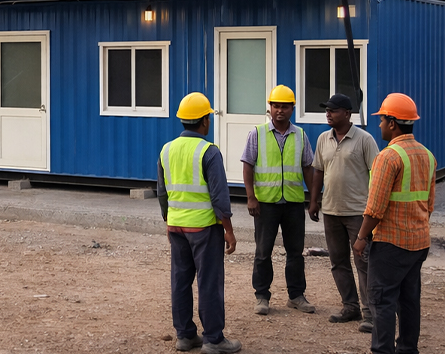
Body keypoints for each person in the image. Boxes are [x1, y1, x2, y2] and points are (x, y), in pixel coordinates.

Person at [157, 92, 241, 354]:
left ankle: (184, 336)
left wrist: (168, 222)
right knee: (209, 282)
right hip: (204, 228)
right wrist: (228, 230)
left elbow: (162, 192)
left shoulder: (166, 149)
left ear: (183, 120)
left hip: (177, 226)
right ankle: (213, 339)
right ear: (205, 121)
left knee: (180, 280)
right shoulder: (208, 151)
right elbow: (219, 196)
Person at [352, 93, 436, 354]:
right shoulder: (428, 156)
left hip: (391, 244)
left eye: (382, 120)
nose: (379, 125)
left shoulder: (388, 157)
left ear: (392, 123)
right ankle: (408, 349)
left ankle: (382, 350)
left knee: (382, 300)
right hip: (418, 242)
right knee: (409, 299)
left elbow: (375, 208)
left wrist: (361, 237)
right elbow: (429, 204)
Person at [241, 84, 316, 315]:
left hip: (293, 203)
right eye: (276, 106)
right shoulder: (257, 133)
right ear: (269, 108)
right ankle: (262, 296)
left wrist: (313, 199)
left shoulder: (300, 135)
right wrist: (251, 197)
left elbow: (308, 168)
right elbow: (248, 165)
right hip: (266, 203)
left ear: (292, 109)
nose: (280, 111)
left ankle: (296, 295)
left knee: (295, 252)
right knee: (263, 252)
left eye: (285, 107)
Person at [308, 93, 378, 333]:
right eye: (327, 110)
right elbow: (318, 171)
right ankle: (351, 307)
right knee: (338, 262)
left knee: (364, 262)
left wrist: (373, 209)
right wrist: (314, 201)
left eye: (333, 110)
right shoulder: (322, 139)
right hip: (331, 211)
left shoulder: (364, 140)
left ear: (347, 114)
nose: (328, 114)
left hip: (358, 212)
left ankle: (371, 313)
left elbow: (376, 175)